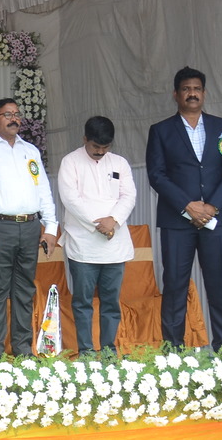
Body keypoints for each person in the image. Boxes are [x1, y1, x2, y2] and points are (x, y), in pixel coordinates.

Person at [146, 66, 222, 351]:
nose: (192, 93)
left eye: (197, 89)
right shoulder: (161, 130)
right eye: (186, 89)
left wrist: (211, 207)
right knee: (175, 286)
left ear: (204, 93)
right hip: (177, 222)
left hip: (216, 220)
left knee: (219, 286)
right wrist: (188, 206)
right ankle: (173, 352)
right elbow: (156, 175)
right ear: (175, 94)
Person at [0, 98, 59, 357]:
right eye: (7, 115)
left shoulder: (30, 151)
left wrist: (50, 227)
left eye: (17, 114)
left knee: (25, 289)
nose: (14, 118)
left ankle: (23, 351)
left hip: (29, 227)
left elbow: (43, 190)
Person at [58, 116, 136, 357]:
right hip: (83, 244)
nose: (100, 152)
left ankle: (109, 352)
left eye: (105, 147)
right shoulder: (70, 162)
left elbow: (129, 196)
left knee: (111, 302)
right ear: (85, 139)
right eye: (96, 147)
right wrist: (99, 224)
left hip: (114, 243)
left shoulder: (120, 163)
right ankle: (86, 352)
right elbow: (71, 199)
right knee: (83, 302)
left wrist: (114, 220)